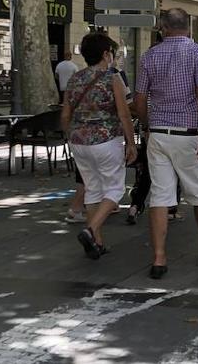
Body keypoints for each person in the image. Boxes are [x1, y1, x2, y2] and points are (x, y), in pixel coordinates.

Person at [133, 9, 198, 280]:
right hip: (187, 134)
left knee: (160, 196)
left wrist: (146, 126)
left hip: (159, 133)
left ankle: (159, 257)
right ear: (188, 27)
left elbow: (140, 99)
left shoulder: (149, 56)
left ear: (163, 27)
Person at [61, 33, 137, 260]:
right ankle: (91, 230)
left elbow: (65, 114)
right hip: (106, 140)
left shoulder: (75, 79)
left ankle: (98, 242)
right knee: (115, 189)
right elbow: (124, 114)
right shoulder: (112, 79)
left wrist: (70, 135)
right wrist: (131, 143)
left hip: (79, 141)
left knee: (92, 189)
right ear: (106, 54)